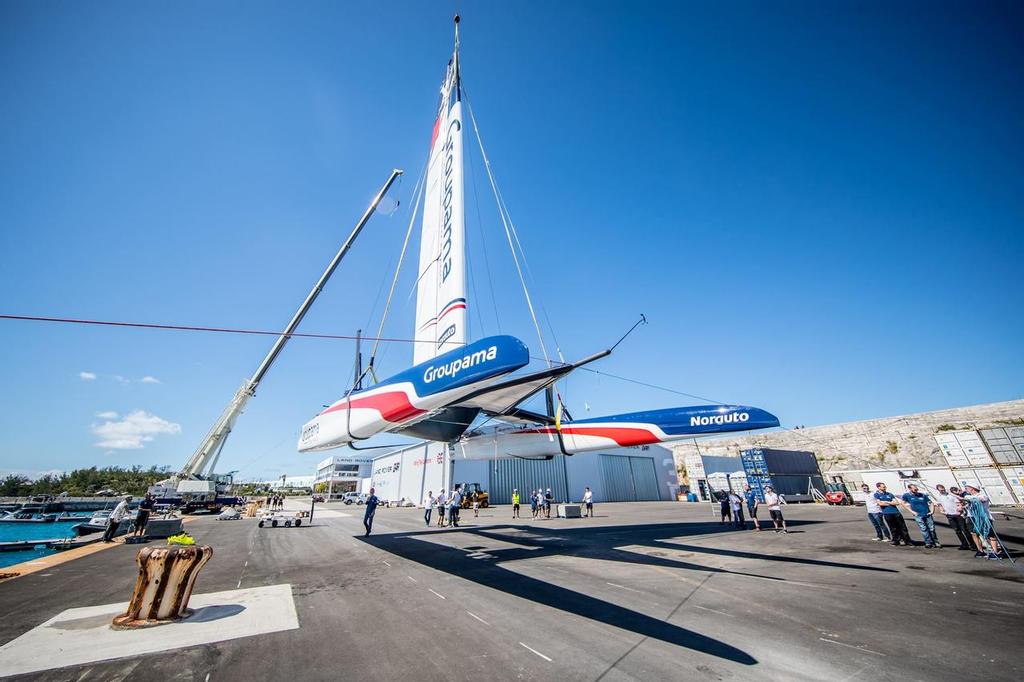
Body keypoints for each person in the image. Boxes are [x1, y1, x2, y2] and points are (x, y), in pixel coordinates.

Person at [959, 485, 1003, 559]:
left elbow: (982, 499)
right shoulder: (967, 497)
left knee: (990, 535)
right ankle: (980, 551)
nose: (965, 489)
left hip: (983, 517)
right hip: (971, 517)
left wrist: (970, 499)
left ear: (972, 488)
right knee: (974, 534)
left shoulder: (982, 496)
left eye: (967, 488)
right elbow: (964, 504)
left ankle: (995, 552)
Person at [901, 483, 941, 548]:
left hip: (927, 514)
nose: (916, 490)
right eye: (914, 489)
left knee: (932, 529)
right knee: (923, 529)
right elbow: (902, 503)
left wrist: (932, 511)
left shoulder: (922, 495)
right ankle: (928, 542)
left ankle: (935, 541)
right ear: (910, 489)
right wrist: (911, 511)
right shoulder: (907, 495)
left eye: (916, 488)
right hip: (918, 515)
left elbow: (931, 503)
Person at [936, 485, 972, 550]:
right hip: (949, 515)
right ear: (938, 490)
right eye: (941, 490)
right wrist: (942, 511)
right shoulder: (939, 497)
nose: (943, 491)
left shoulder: (951, 495)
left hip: (957, 514)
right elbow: (940, 504)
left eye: (943, 489)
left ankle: (972, 544)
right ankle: (964, 544)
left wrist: (960, 509)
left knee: (964, 529)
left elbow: (958, 503)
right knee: (957, 530)